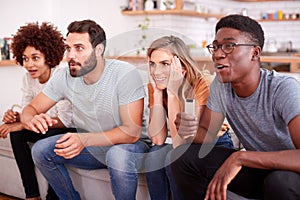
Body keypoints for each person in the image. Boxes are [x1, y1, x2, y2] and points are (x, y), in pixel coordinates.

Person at [170, 14, 300, 200]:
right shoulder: (221, 85)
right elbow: (206, 134)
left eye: (229, 46)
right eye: (215, 47)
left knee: (280, 181)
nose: (217, 54)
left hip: (290, 173)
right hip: (259, 169)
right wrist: (189, 131)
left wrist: (241, 158)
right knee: (183, 157)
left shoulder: (283, 87)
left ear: (255, 53)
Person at [20, 19, 150, 200]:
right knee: (41, 150)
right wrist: (30, 118)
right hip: (94, 147)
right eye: (68, 48)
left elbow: (132, 132)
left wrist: (84, 139)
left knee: (117, 155)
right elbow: (31, 108)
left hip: (130, 147)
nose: (70, 56)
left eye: (79, 48)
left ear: (98, 50)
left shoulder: (125, 74)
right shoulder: (64, 76)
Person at [144, 35, 233, 200]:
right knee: (154, 155)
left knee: (173, 158)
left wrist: (172, 93)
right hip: (185, 145)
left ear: (181, 66)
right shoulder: (156, 85)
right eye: (152, 64)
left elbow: (181, 143)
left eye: (164, 64)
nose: (157, 71)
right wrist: (157, 93)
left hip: (213, 143)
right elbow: (157, 139)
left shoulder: (203, 84)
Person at [0, 22, 74, 200]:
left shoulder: (62, 76)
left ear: (48, 56)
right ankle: (32, 195)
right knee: (16, 135)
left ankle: (52, 196)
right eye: (25, 59)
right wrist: (17, 119)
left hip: (66, 127)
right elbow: (28, 108)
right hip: (45, 126)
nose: (29, 64)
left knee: (50, 137)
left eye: (35, 58)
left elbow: (66, 119)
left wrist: (25, 123)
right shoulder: (28, 79)